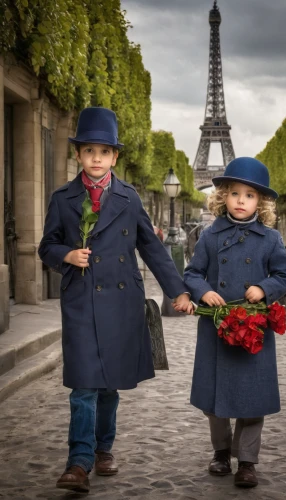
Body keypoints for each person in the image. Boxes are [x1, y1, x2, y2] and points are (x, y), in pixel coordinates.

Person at [38, 107, 191, 493]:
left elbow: (153, 249)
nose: (96, 158)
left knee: (108, 388)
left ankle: (104, 448)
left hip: (122, 304)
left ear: (114, 157)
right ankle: (79, 461)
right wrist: (67, 256)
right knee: (84, 384)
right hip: (81, 301)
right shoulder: (62, 198)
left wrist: (178, 291)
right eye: (89, 150)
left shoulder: (129, 197)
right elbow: (46, 246)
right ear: (78, 154)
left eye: (104, 152)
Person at [183, 157, 286, 488]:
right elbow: (192, 272)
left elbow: (284, 274)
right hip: (217, 328)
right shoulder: (210, 235)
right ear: (223, 197)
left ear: (260, 202)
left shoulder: (270, 239)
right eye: (235, 193)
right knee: (215, 402)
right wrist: (204, 292)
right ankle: (220, 452)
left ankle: (247, 460)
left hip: (253, 328)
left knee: (251, 398)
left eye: (249, 195)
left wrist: (264, 287)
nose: (241, 200)